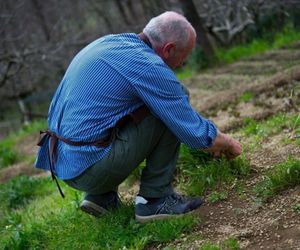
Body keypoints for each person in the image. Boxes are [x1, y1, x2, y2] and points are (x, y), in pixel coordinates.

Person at [35, 11, 242, 223]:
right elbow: (193, 133)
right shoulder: (149, 66)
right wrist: (227, 143)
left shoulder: (111, 43)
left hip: (65, 162)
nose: (182, 64)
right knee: (165, 109)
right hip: (88, 168)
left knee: (127, 106)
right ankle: (155, 200)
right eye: (183, 58)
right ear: (168, 49)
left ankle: (101, 198)